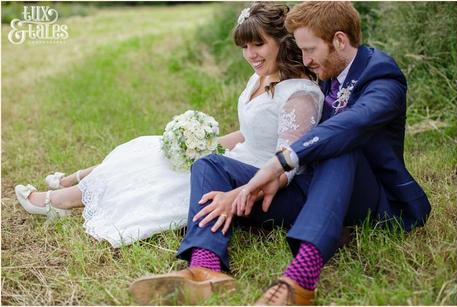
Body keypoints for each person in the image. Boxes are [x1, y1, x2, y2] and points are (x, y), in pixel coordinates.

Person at [129, 1, 431, 305]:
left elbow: (352, 122)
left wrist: (280, 162)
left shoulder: (382, 77)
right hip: (306, 189)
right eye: (301, 50)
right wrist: (254, 184)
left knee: (340, 147)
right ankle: (205, 270)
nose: (305, 60)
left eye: (310, 50)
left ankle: (300, 279)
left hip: (369, 198)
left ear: (340, 40)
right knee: (211, 166)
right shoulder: (326, 66)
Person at [14, 2, 323, 249]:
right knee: (151, 149)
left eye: (258, 44)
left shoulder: (299, 94)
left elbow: (288, 161)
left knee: (160, 173)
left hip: (254, 176)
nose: (250, 55)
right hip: (235, 158)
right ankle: (74, 185)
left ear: (282, 42)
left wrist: (235, 181)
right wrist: (209, 143)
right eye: (244, 47)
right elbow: (252, 134)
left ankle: (58, 202)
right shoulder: (261, 76)